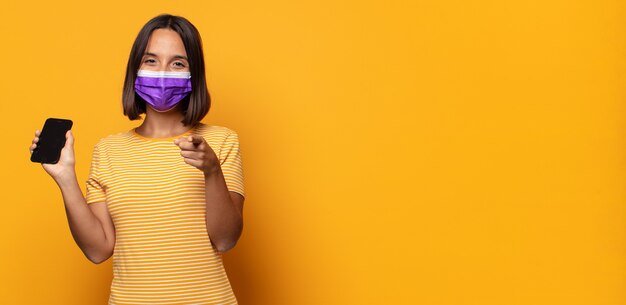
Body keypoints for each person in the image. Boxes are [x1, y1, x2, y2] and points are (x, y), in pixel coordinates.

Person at [28, 14, 245, 304]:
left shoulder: (221, 141)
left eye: (178, 63)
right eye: (151, 60)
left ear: (194, 74)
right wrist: (65, 177)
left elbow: (226, 239)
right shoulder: (109, 150)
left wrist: (211, 170)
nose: (163, 73)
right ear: (135, 69)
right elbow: (98, 250)